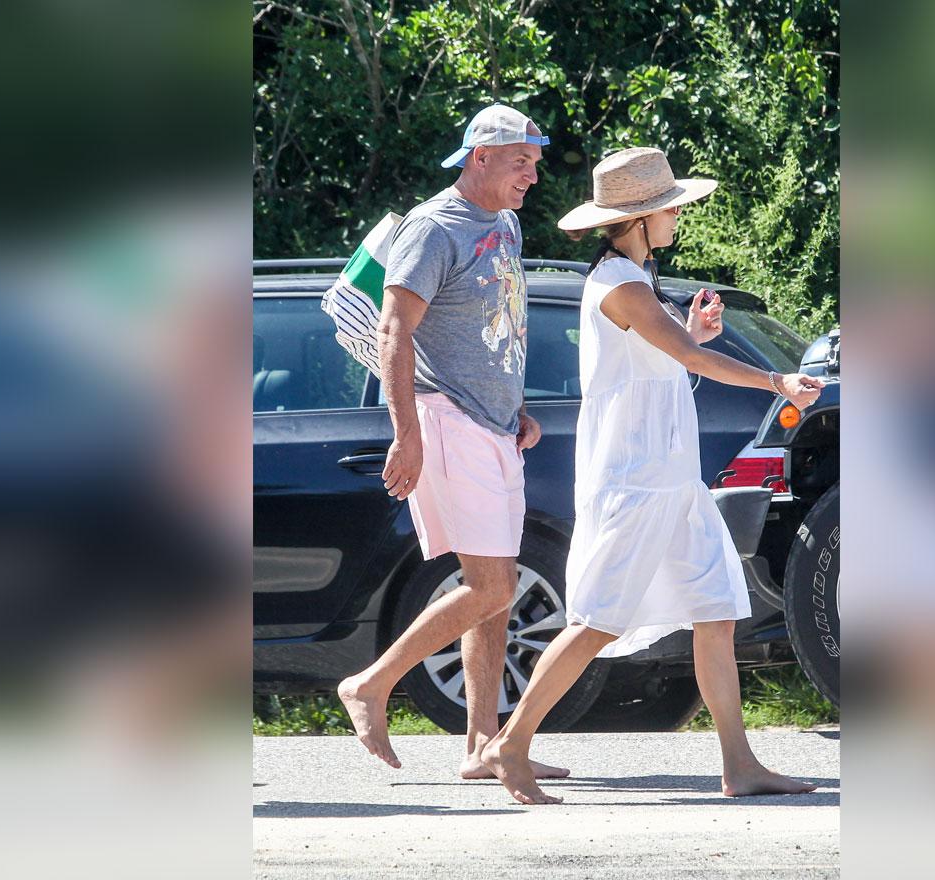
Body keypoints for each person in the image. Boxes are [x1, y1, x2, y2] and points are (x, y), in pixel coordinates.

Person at [479, 147, 826, 804]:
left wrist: (690, 331)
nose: (676, 217)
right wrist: (777, 380)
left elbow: (672, 363)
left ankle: (739, 764)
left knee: (717, 611)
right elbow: (687, 355)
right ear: (640, 217)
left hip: (671, 482)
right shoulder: (620, 286)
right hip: (636, 483)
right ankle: (510, 744)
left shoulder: (633, 283)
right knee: (597, 621)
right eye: (670, 208)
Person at [337, 104, 568, 780]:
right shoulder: (433, 229)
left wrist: (515, 404)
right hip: (446, 421)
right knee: (494, 585)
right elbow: (394, 332)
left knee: (488, 587)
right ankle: (370, 683)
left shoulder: (505, 223)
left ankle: (482, 745)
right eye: (520, 160)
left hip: (493, 425)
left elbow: (496, 322)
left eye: (535, 160)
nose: (532, 173)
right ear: (481, 157)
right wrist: (405, 435)